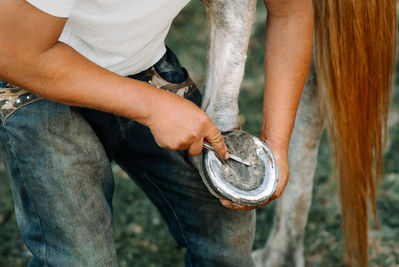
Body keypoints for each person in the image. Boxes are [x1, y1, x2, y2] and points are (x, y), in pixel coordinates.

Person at [0, 0, 313, 266]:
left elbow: (290, 13)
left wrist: (276, 143)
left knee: (227, 230)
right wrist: (153, 107)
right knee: (81, 256)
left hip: (143, 63)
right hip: (35, 82)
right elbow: (11, 51)